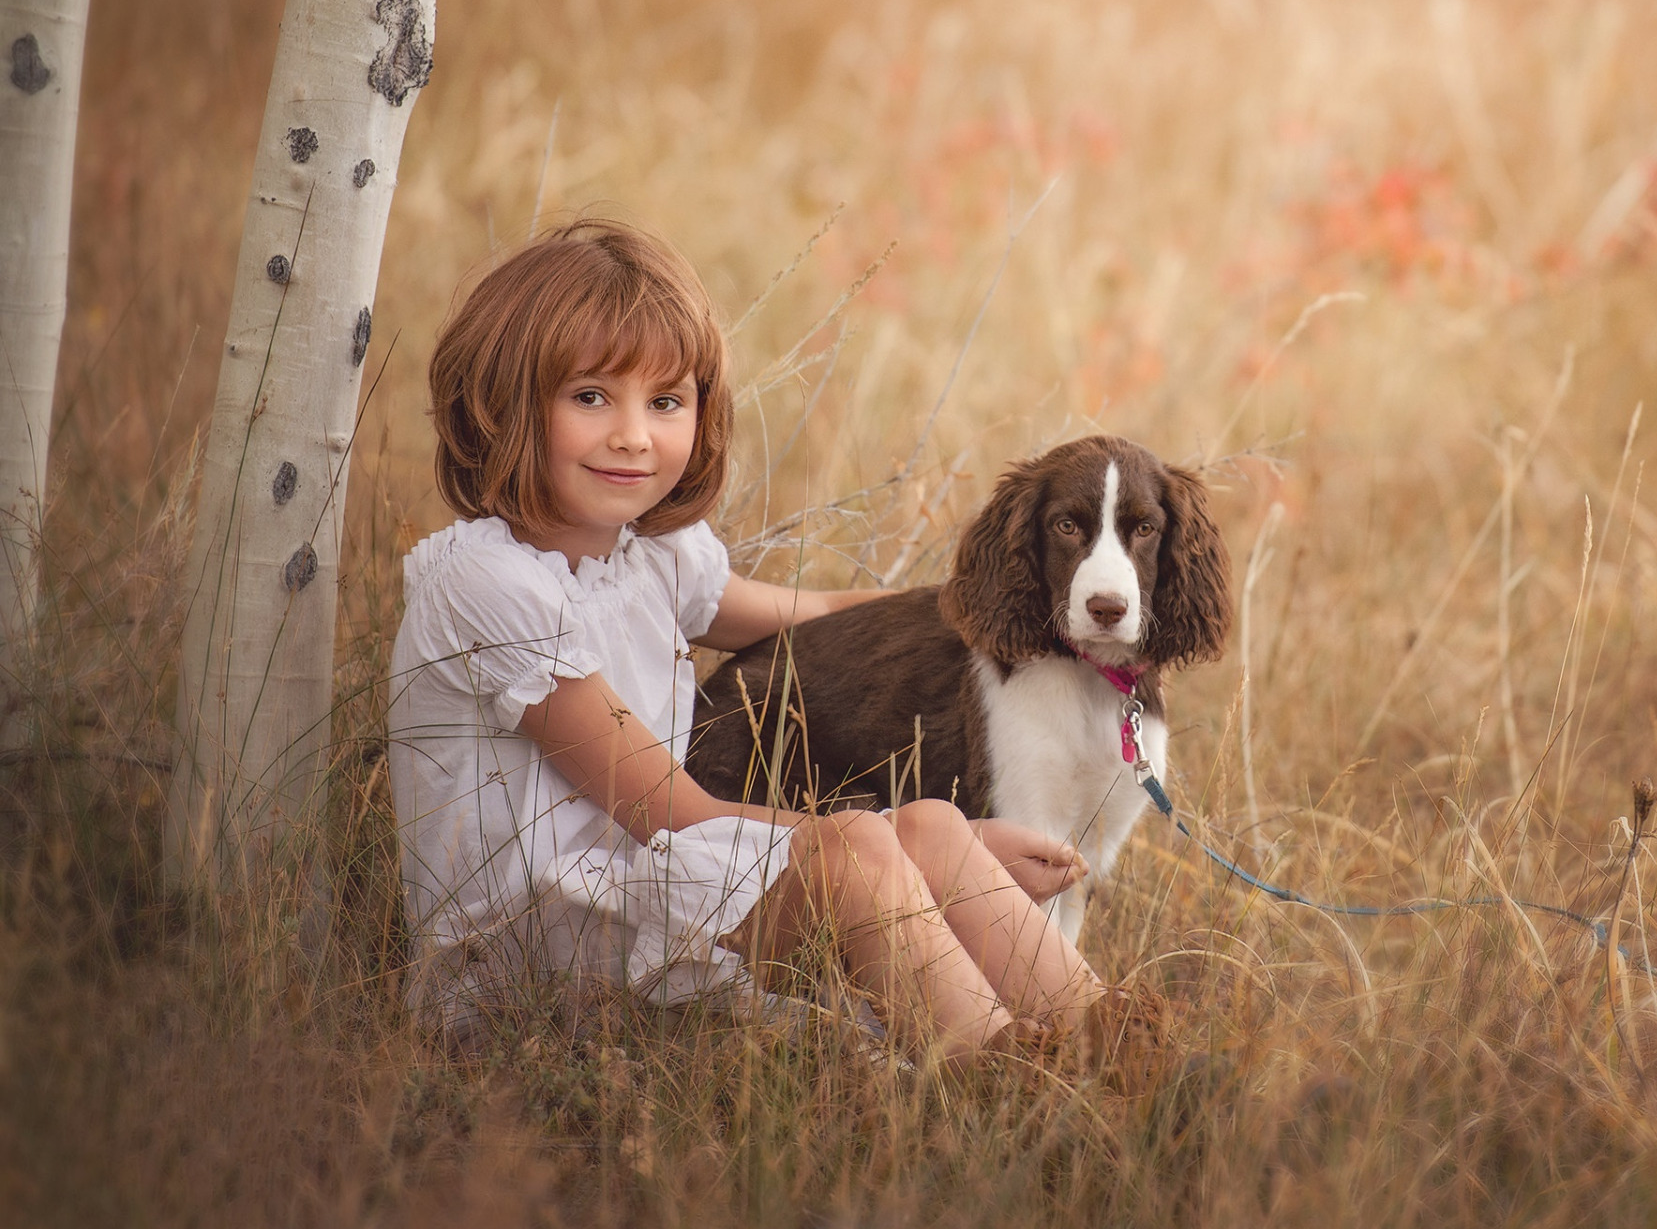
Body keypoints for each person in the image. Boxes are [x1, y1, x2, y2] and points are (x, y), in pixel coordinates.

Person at [387, 218, 1115, 1066]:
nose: (634, 435)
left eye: (665, 402)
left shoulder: (647, 554)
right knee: (868, 846)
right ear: (503, 400)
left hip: (648, 896)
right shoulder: (488, 586)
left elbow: (813, 614)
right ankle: (996, 1081)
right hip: (533, 952)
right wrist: (932, 849)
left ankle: (1124, 1059)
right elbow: (668, 810)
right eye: (590, 397)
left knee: (927, 824)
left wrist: (983, 614)